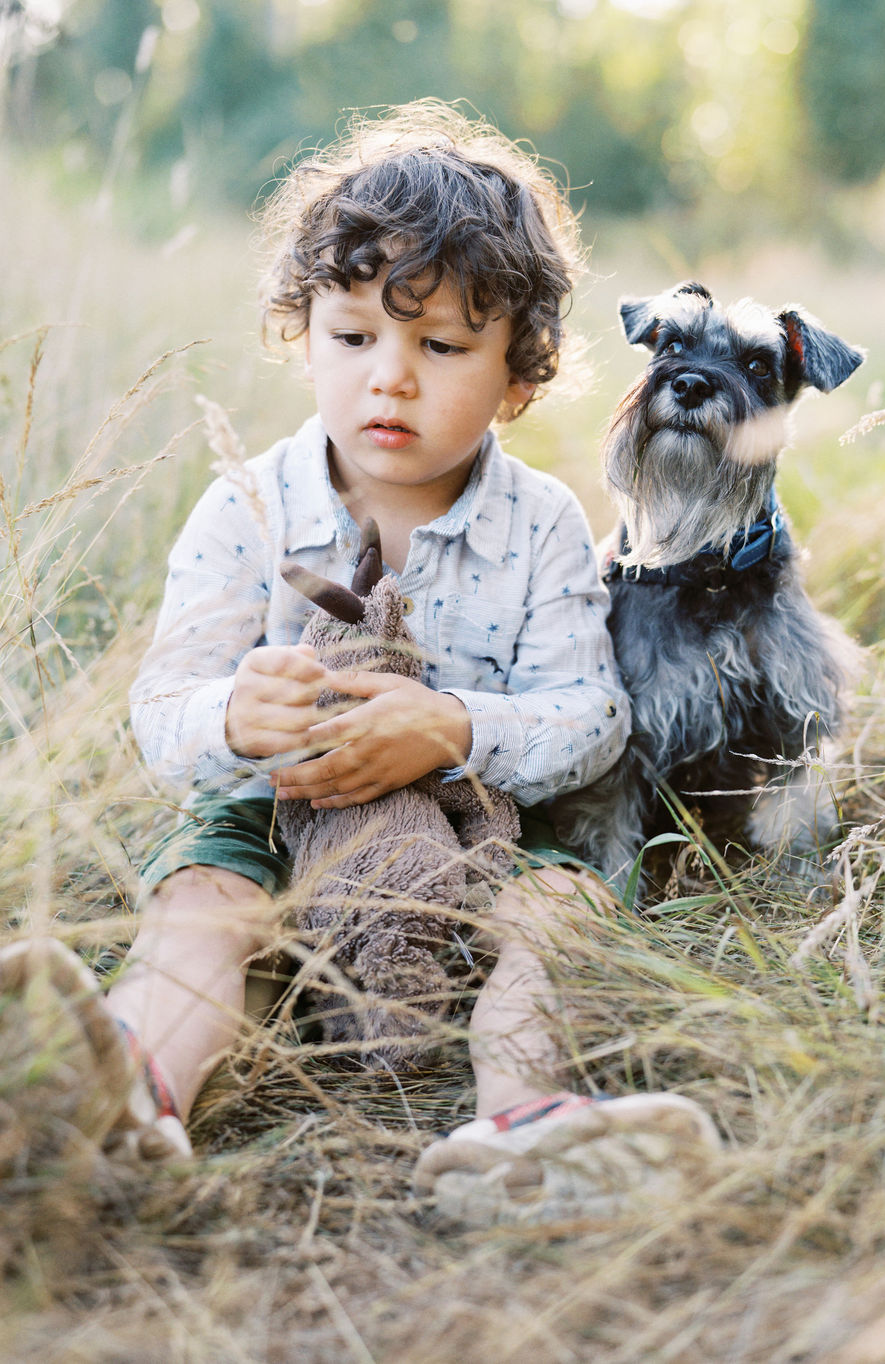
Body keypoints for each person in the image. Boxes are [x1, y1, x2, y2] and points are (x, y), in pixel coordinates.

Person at [1, 102, 719, 1223]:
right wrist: (236, 712)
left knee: (564, 911)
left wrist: (453, 726)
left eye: (438, 347)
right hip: (269, 813)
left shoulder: (538, 522)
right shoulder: (246, 505)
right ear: (302, 337)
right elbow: (160, 708)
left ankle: (524, 1122)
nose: (388, 379)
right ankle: (126, 1101)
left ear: (517, 379)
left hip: (470, 822)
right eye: (352, 337)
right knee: (199, 904)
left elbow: (591, 713)